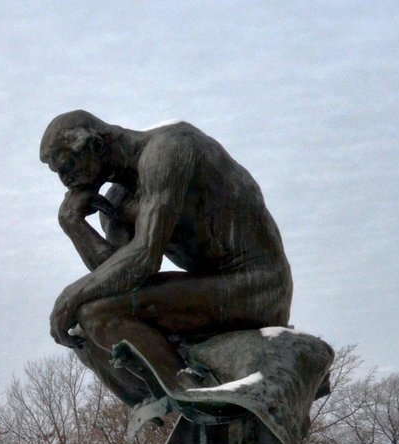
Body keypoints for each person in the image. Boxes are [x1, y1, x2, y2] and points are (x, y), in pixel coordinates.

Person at [39, 111, 293, 406]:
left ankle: (192, 393)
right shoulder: (119, 200)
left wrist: (69, 298)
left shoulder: (167, 151)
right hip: (212, 287)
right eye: (57, 173)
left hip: (259, 287)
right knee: (85, 334)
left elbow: (145, 259)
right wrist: (73, 224)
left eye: (67, 166)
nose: (64, 181)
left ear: (95, 145)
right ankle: (164, 396)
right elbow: (117, 278)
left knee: (96, 313)